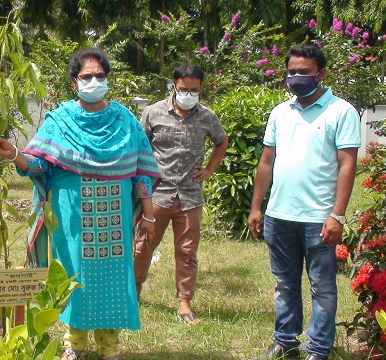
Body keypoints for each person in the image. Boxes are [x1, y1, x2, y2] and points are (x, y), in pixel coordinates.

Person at [0, 47, 161, 360]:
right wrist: (15, 154)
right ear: (74, 82)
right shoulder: (59, 121)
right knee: (74, 276)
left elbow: (141, 172)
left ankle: (109, 348)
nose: (94, 81)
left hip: (115, 216)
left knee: (112, 278)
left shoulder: (125, 120)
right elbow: (38, 164)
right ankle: (74, 346)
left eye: (100, 76)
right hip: (72, 215)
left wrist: (149, 217)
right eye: (87, 77)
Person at [247, 44, 360, 360]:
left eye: (304, 72)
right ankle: (285, 341)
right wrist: (257, 207)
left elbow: (348, 164)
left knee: (322, 288)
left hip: (318, 218)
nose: (296, 77)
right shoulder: (280, 112)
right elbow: (267, 161)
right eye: (291, 72)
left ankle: (319, 349)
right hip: (279, 215)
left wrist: (336, 215)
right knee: (284, 284)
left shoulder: (341, 111)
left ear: (321, 74)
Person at [133, 65, 228, 325]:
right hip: (156, 195)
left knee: (187, 251)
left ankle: (184, 302)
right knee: (143, 246)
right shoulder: (153, 113)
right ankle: (134, 293)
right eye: (184, 89)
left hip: (189, 196)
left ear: (201, 89)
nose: (189, 94)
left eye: (194, 90)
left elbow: (222, 141)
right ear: (174, 86)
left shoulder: (207, 116)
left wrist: (210, 169)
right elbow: (139, 146)